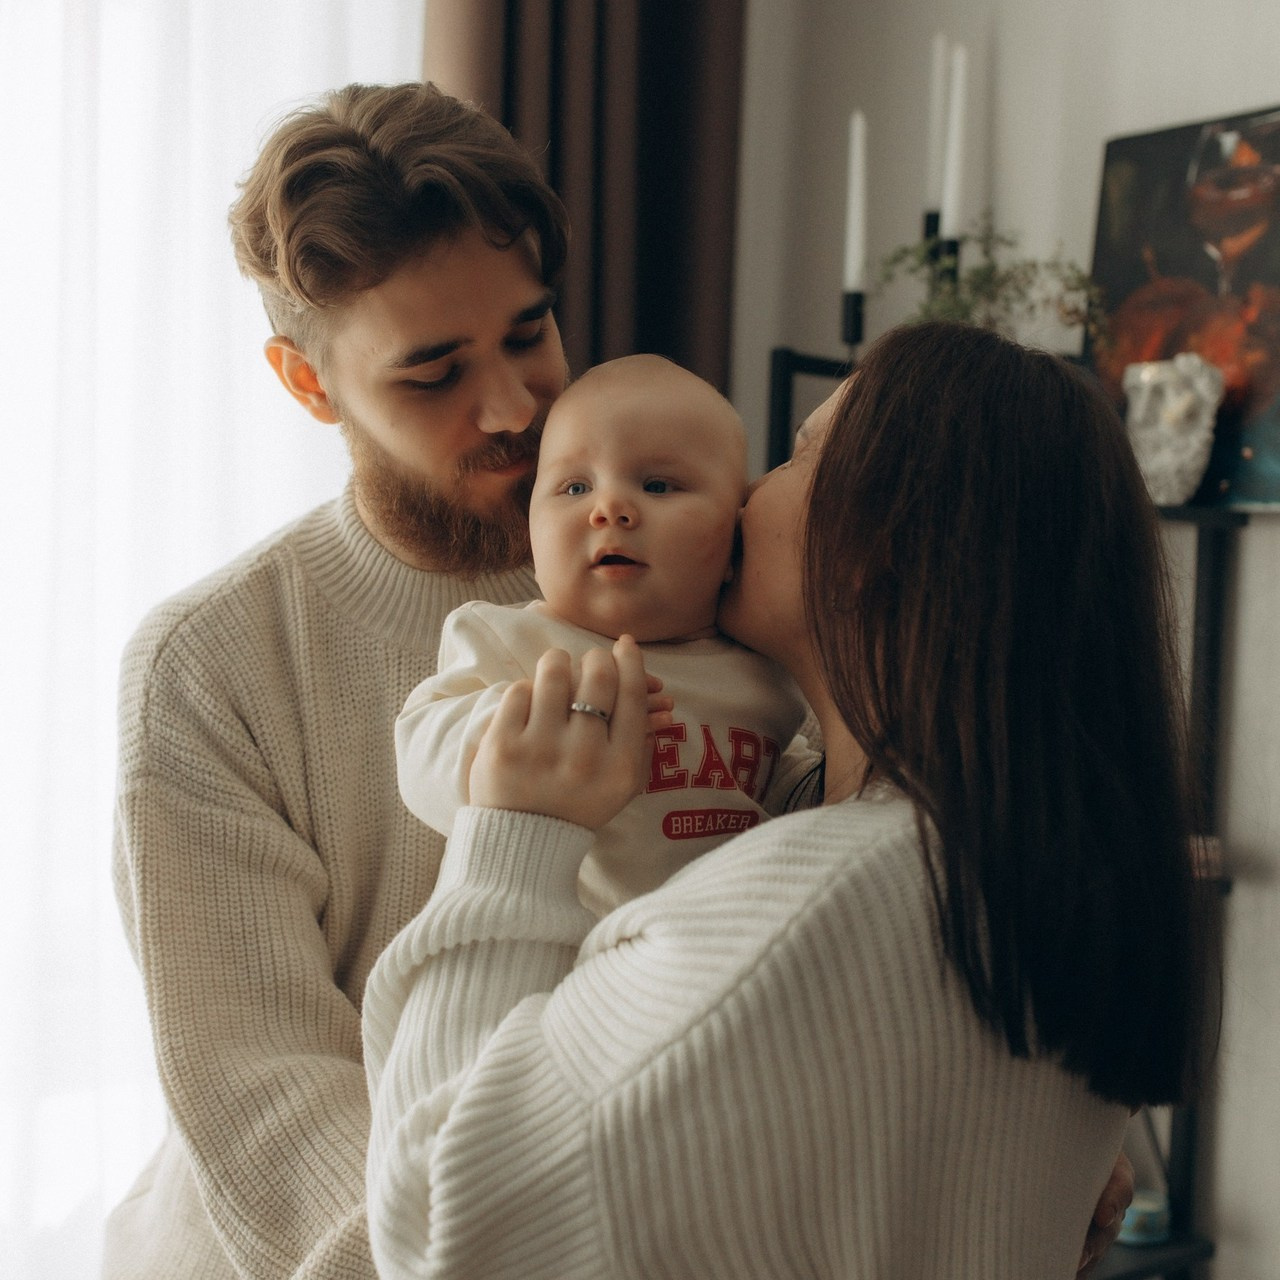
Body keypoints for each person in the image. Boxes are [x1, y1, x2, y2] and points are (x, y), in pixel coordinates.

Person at [362, 321, 1210, 1279]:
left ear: (880, 541)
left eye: (801, 453)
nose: (752, 492)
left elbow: (435, 1230)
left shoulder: (799, 914)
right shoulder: (1043, 887)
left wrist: (514, 841)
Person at [104, 82, 571, 1278]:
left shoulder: (676, 575)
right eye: (435, 373)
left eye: (528, 333)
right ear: (308, 384)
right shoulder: (204, 666)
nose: (513, 406)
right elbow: (266, 1095)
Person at [395, 354, 810, 914]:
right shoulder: (511, 640)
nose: (609, 508)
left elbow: (782, 777)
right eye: (573, 488)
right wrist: (515, 726)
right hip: (558, 942)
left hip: (724, 940)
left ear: (735, 536)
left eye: (658, 485)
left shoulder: (762, 668)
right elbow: (420, 750)